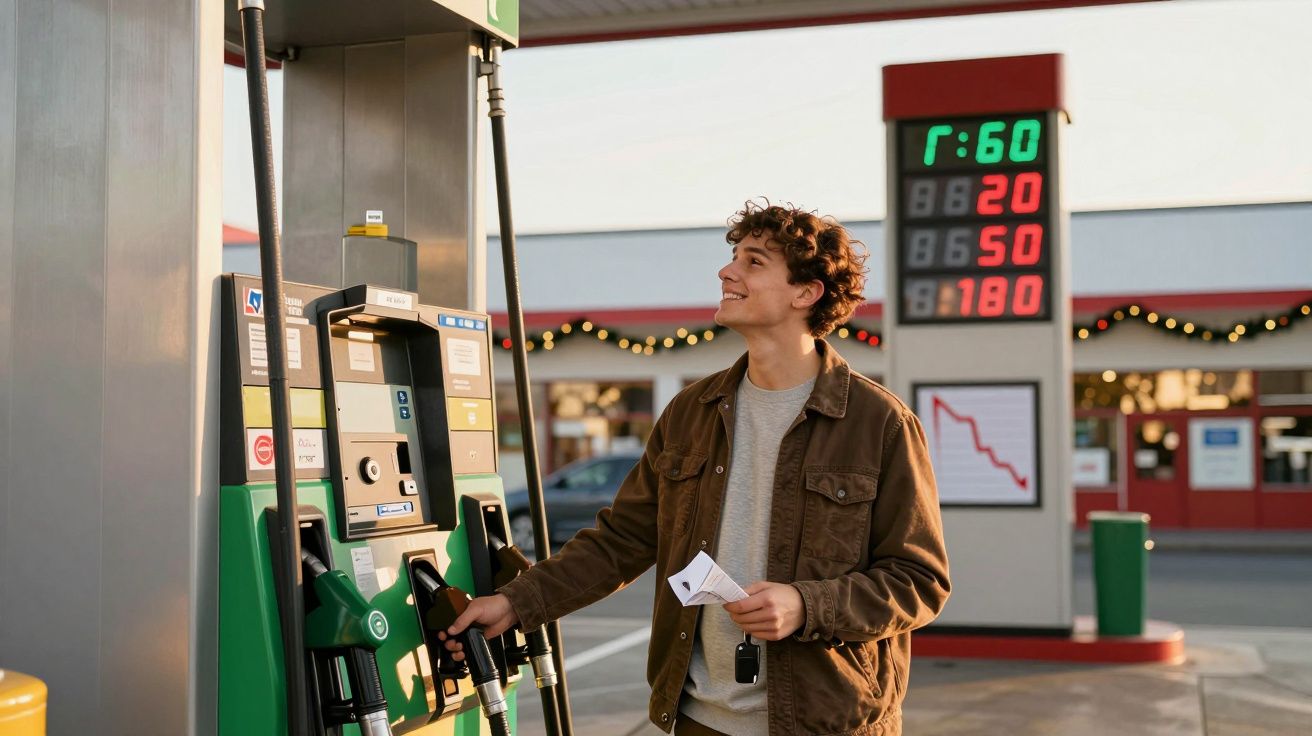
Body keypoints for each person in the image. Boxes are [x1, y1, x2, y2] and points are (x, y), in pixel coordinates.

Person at [442, 200, 950, 735]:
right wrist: (515, 604)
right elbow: (621, 542)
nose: (727, 271)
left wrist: (806, 604)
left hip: (828, 724)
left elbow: (919, 581)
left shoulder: (879, 423)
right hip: (697, 718)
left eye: (753, 262)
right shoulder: (692, 412)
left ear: (805, 292)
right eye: (734, 257)